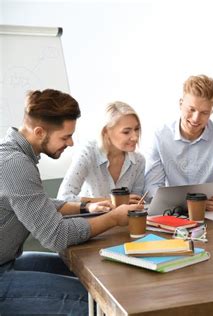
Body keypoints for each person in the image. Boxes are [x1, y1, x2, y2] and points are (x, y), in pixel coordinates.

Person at [0, 89, 142, 315]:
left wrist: (86, 206)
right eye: (65, 137)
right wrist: (113, 218)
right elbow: (57, 236)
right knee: (97, 303)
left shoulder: (15, 156)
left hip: (7, 261)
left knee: (94, 278)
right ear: (39, 132)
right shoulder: (15, 165)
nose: (71, 142)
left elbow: (39, 204)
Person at [144, 74, 213, 211]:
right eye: (191, 109)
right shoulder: (160, 137)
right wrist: (190, 204)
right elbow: (152, 189)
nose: (196, 118)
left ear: (212, 111)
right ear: (181, 104)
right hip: (175, 212)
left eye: (204, 112)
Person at [57, 101, 145, 204]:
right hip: (89, 219)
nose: (135, 137)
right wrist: (115, 201)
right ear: (106, 132)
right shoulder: (87, 153)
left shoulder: (139, 160)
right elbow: (63, 198)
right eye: (126, 132)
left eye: (137, 129)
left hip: (122, 219)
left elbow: (135, 204)